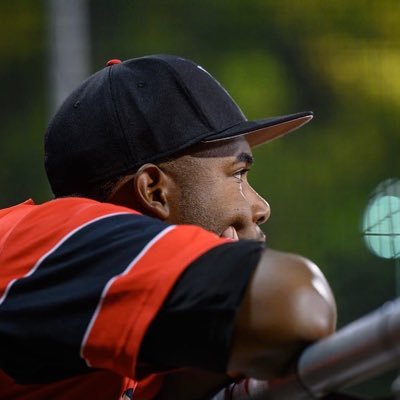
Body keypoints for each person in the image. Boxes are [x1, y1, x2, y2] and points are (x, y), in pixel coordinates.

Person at [0, 54, 336, 400]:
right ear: (155, 191)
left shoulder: (86, 315)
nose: (260, 207)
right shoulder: (41, 243)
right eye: (238, 174)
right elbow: (297, 304)